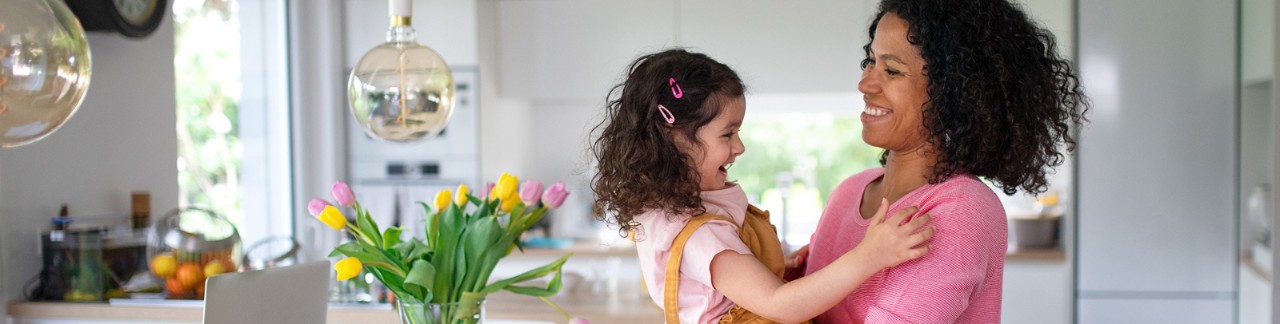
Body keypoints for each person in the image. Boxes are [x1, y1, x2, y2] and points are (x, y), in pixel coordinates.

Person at [790, 0, 1089, 323]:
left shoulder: (962, 209)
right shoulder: (848, 193)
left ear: (954, 93)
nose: (865, 84)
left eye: (891, 70)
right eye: (870, 61)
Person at [590, 49, 935, 324]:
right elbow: (779, 305)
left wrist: (773, 266)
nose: (739, 147)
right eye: (728, 134)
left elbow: (718, 288)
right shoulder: (702, 234)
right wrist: (870, 256)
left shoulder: (674, 213)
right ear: (675, 141)